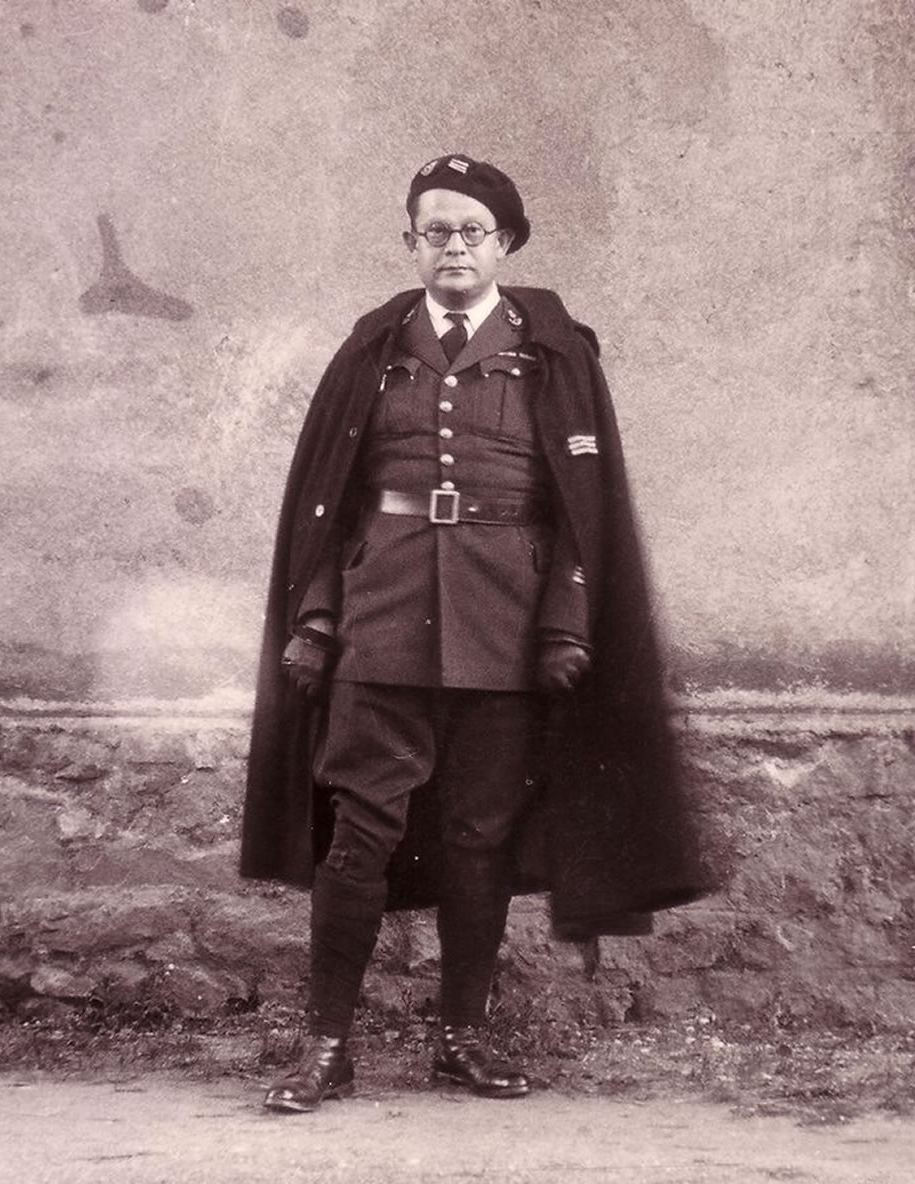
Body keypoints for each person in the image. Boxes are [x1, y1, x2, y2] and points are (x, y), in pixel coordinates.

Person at [240, 153, 707, 1113]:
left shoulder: (556, 355)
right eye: (435, 231)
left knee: (479, 839)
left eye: (472, 231)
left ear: (506, 244)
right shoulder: (372, 348)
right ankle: (326, 1046)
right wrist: (319, 614)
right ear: (412, 244)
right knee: (357, 837)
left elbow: (583, 510)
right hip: (382, 621)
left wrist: (567, 622)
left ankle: (461, 1039)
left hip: (506, 624)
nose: (453, 246)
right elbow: (330, 500)